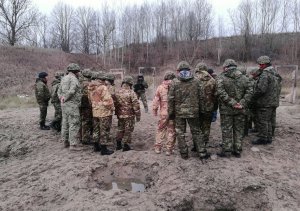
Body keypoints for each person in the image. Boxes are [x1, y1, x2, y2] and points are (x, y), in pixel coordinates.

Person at [168, 61, 208, 160]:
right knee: (197, 132)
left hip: (179, 112)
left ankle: (184, 154)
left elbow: (170, 99)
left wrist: (171, 113)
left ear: (178, 71)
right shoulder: (197, 81)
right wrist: (202, 111)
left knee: (180, 133)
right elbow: (202, 97)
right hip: (193, 112)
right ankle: (202, 153)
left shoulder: (174, 82)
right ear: (189, 70)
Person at [216, 59, 253, 158]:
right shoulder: (245, 78)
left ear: (226, 67)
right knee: (239, 129)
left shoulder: (221, 78)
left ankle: (227, 150)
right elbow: (250, 92)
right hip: (240, 109)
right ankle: (237, 150)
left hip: (226, 110)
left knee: (226, 130)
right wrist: (241, 103)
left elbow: (220, 92)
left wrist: (232, 103)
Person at [251, 56, 281, 145]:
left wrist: (253, 97)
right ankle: (268, 137)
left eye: (261, 64)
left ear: (264, 64)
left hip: (265, 102)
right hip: (273, 101)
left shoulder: (265, 74)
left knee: (263, 120)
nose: (259, 66)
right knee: (270, 120)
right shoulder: (275, 73)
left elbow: (261, 89)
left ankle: (263, 138)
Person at [88, 72, 114, 155]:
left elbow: (90, 99)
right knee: (104, 130)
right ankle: (104, 149)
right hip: (104, 112)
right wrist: (112, 108)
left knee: (96, 129)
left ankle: (96, 146)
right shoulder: (103, 87)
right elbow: (108, 101)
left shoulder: (91, 86)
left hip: (95, 111)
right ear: (103, 79)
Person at [57, 63, 82, 151]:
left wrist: (61, 98)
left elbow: (59, 91)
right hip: (72, 104)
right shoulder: (73, 79)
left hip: (64, 105)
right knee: (74, 123)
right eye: (78, 71)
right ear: (75, 71)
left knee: (65, 123)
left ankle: (65, 142)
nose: (79, 73)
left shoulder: (64, 78)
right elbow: (72, 91)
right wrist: (66, 98)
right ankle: (73, 145)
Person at [194, 62, 217, 150]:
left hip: (197, 108)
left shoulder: (194, 79)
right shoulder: (212, 80)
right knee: (206, 127)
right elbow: (215, 96)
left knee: (196, 127)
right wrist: (214, 108)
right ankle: (204, 144)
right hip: (209, 107)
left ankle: (196, 145)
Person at [152, 71, 176, 156]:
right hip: (173, 113)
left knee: (160, 129)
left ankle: (158, 148)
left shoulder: (160, 87)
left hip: (163, 113)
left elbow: (156, 100)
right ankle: (169, 150)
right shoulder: (176, 87)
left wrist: (154, 110)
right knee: (171, 131)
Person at [115, 76, 141, 151]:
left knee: (120, 129)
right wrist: (138, 116)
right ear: (130, 84)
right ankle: (126, 146)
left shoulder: (118, 92)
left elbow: (115, 103)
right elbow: (136, 105)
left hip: (120, 115)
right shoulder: (131, 92)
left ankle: (118, 144)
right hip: (129, 115)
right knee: (128, 130)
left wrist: (117, 113)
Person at [79, 69, 93, 145]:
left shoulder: (79, 82)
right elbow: (88, 96)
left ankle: (81, 136)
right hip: (86, 105)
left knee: (81, 120)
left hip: (79, 105)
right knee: (86, 121)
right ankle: (85, 139)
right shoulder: (88, 84)